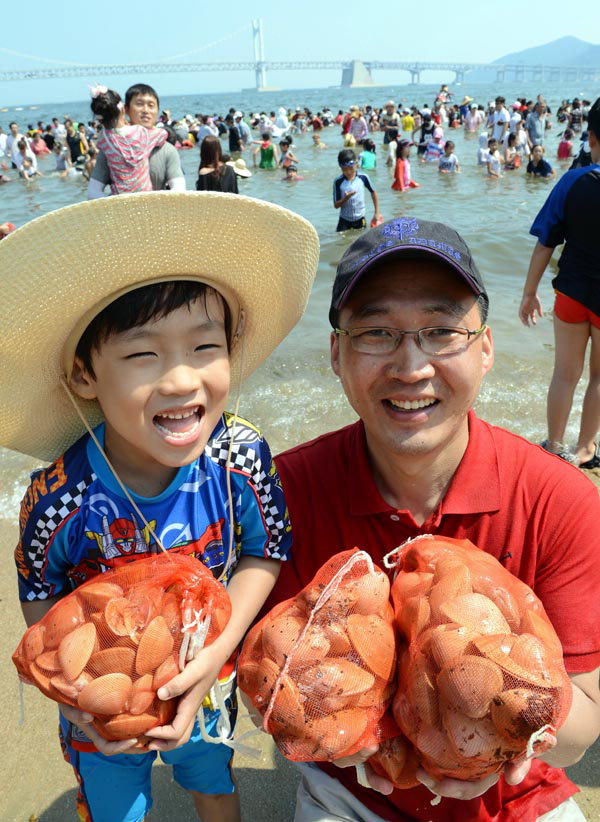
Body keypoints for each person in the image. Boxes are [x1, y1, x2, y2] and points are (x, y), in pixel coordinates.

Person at [257, 215, 600, 822]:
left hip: (517, 796)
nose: (411, 366)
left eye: (442, 330)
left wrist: (508, 729)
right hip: (351, 793)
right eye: (377, 332)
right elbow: (266, 681)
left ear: (487, 348)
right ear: (336, 352)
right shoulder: (281, 493)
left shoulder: (561, 500)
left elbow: (585, 726)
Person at [2, 191, 320, 822]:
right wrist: (73, 691)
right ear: (83, 376)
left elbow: (266, 548)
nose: (180, 380)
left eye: (205, 348)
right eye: (143, 354)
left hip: (209, 671)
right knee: (117, 803)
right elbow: (39, 587)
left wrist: (213, 657)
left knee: (211, 781)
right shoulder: (61, 495)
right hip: (104, 698)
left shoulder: (240, 458)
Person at [519, 97, 600, 467]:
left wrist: (529, 292)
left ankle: (554, 446)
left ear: (592, 138)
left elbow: (545, 242)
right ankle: (585, 450)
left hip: (569, 292)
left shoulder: (572, 180)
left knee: (564, 374)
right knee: (599, 377)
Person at [89, 84, 184, 198]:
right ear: (126, 109)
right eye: (139, 104)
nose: (145, 110)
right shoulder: (108, 150)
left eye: (151, 105)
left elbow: (179, 188)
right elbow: (93, 191)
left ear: (157, 111)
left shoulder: (167, 150)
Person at [333, 148, 381, 232]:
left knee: (361, 241)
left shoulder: (363, 177)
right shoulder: (338, 182)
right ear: (340, 167)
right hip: (344, 220)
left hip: (360, 219)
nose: (348, 172)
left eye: (351, 168)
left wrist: (377, 212)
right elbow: (336, 205)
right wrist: (346, 198)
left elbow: (373, 192)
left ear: (356, 163)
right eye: (345, 169)